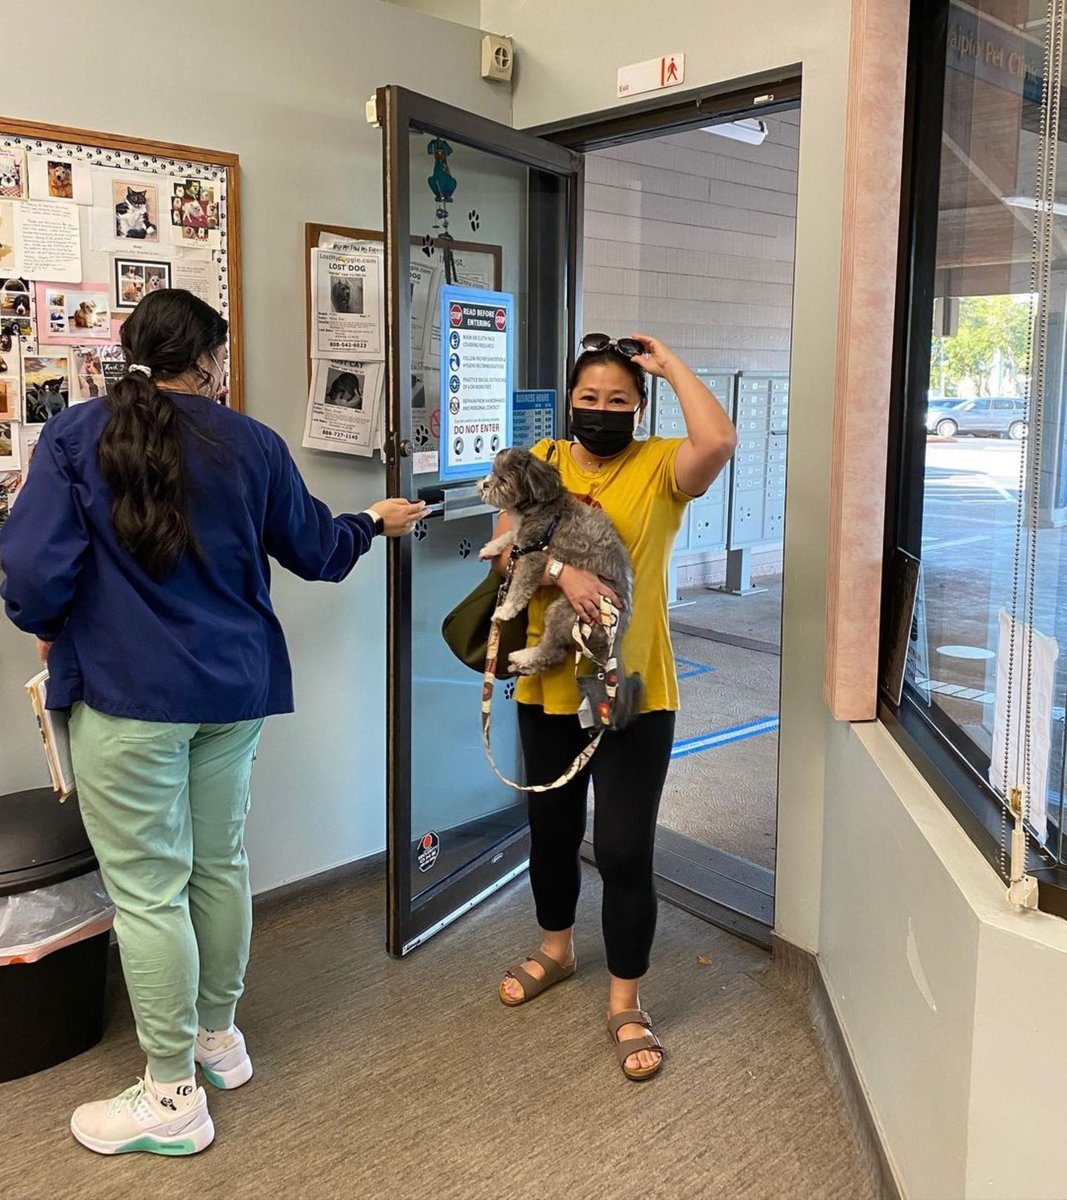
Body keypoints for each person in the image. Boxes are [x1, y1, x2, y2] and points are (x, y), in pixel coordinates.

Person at [0, 289, 426, 1155]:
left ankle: (171, 1097)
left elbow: (33, 577)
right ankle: (217, 1041)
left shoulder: (76, 436)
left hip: (130, 703)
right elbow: (315, 548)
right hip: (233, 696)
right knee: (219, 863)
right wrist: (372, 524)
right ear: (211, 360)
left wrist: (53, 628)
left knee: (148, 892)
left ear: (132, 353)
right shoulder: (253, 443)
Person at [491, 332, 737, 1080]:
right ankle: (556, 949)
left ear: (639, 406)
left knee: (626, 849)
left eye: (618, 400)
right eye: (588, 398)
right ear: (569, 401)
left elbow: (719, 438)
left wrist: (668, 365)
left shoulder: (663, 466)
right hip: (549, 685)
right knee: (552, 831)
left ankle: (626, 1001)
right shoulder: (543, 461)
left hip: (632, 690)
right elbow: (505, 550)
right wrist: (559, 571)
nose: (600, 411)